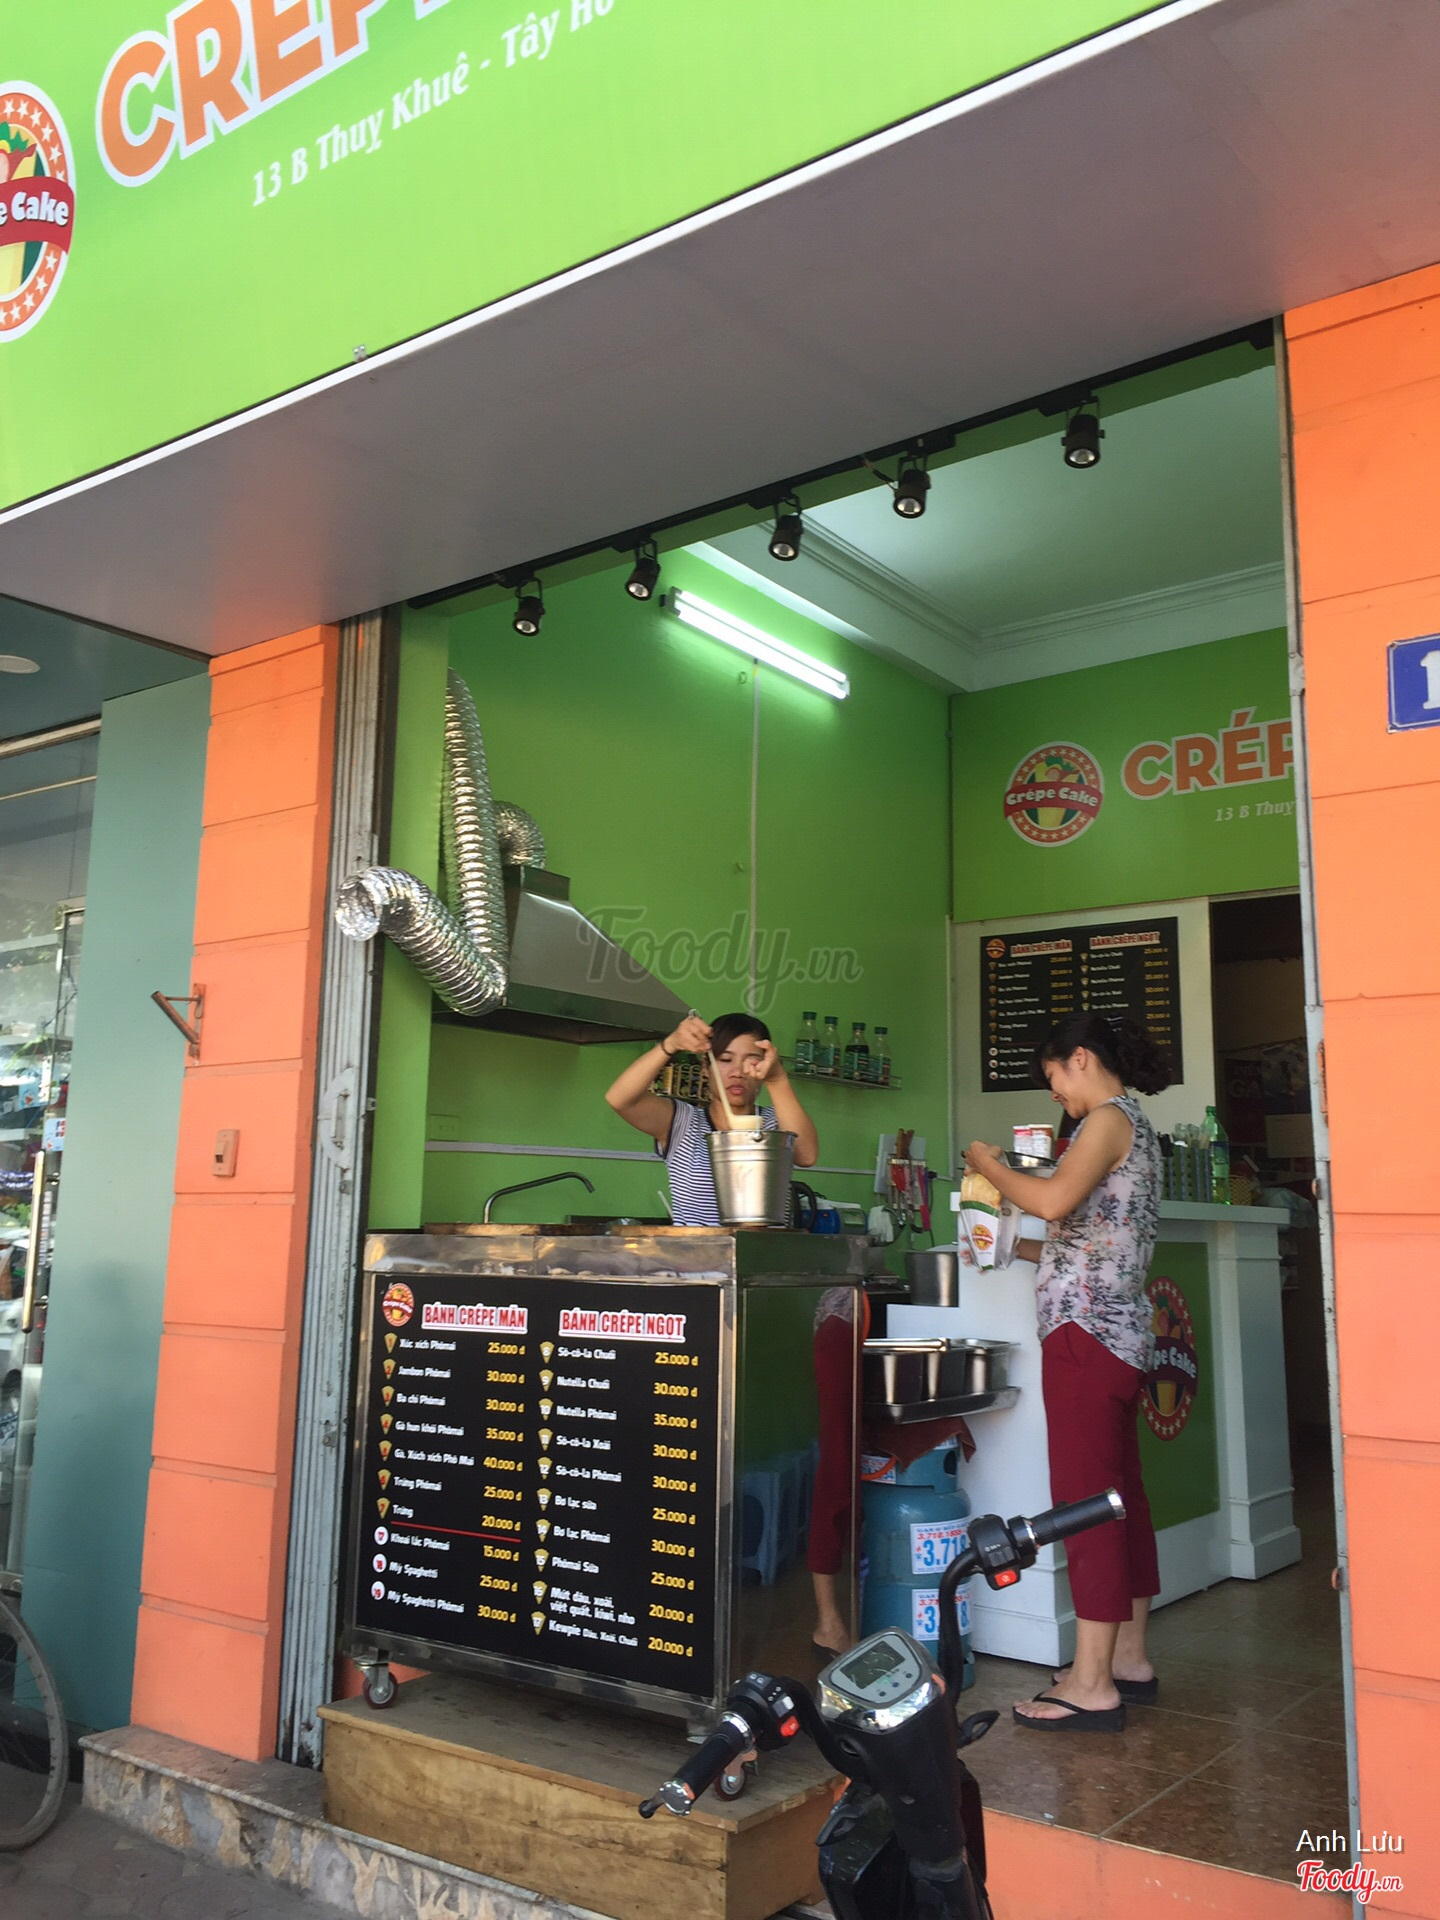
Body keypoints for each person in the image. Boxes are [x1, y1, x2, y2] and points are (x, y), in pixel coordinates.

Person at [964, 1011, 1171, 1734]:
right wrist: (1003, 1248)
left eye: (1051, 1076)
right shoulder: (1132, 1124)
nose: (1054, 1093)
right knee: (1121, 1500)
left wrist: (988, 1165)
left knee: (1086, 1506)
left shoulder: (1105, 1121)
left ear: (1078, 1057)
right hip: (1117, 1337)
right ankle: (1128, 1659)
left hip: (1086, 1340)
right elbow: (1085, 1241)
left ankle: (1090, 1682)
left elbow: (1052, 1201)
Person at [604, 1011, 818, 1226]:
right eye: (725, 1059)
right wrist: (670, 1044)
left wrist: (777, 1079)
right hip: (696, 1248)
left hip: (764, 1247)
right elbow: (620, 1100)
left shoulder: (775, 1124)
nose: (737, 1072)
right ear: (706, 1068)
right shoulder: (683, 1122)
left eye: (752, 1061)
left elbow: (807, 1156)